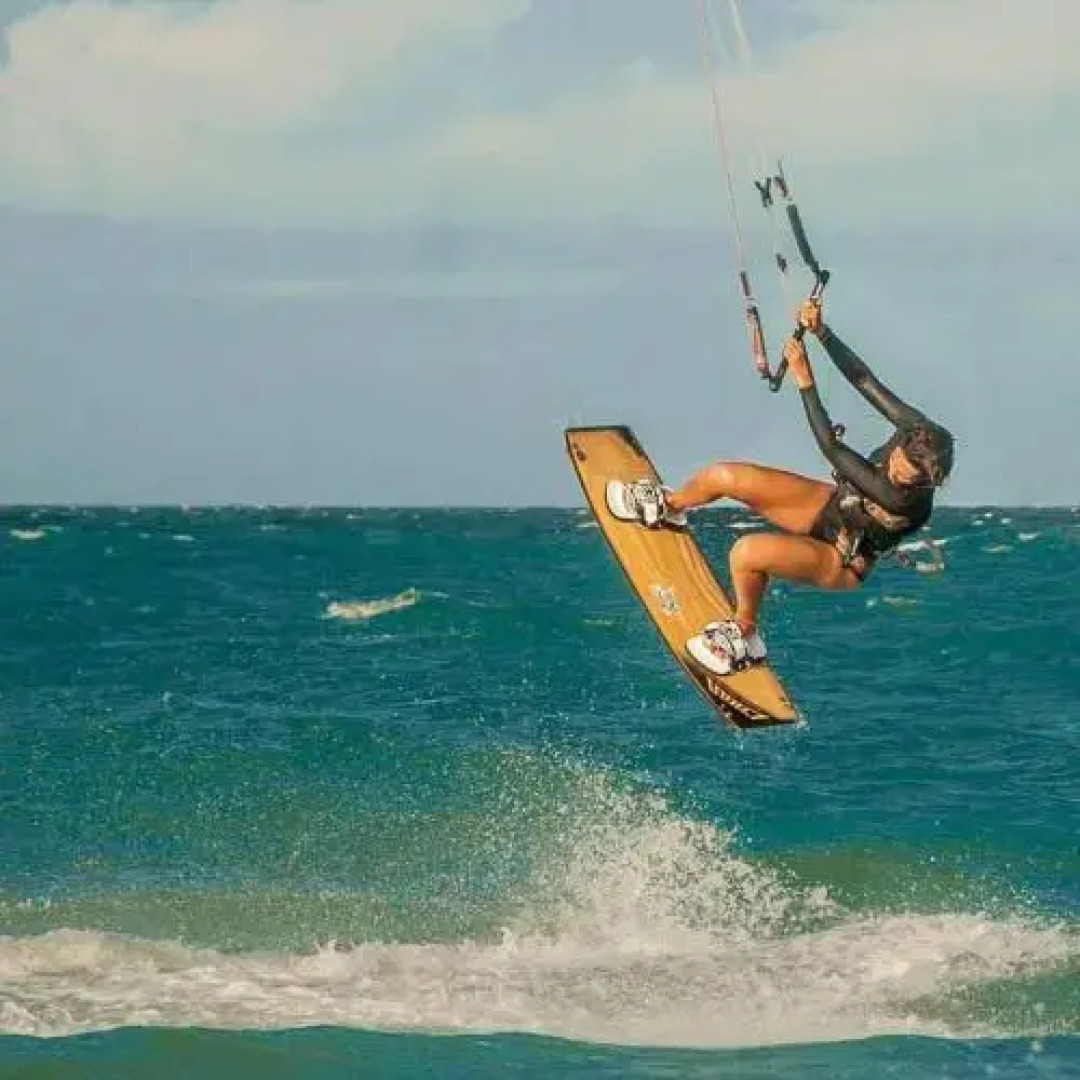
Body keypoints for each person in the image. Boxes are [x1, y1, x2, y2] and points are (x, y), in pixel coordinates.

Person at [606, 298, 955, 675]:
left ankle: (743, 635)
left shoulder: (903, 499)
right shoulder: (917, 429)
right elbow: (863, 379)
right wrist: (822, 332)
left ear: (926, 477)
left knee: (747, 553)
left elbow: (831, 449)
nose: (898, 470)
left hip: (842, 557)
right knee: (722, 476)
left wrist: (805, 383)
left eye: (910, 475)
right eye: (900, 460)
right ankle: (668, 506)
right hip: (829, 507)